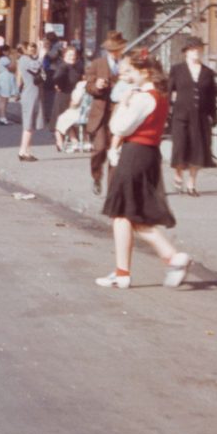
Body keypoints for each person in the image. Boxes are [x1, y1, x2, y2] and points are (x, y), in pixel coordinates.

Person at [95, 52, 191, 291]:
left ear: (145, 72)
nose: (126, 76)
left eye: (130, 72)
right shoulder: (160, 96)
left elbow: (119, 126)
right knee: (130, 214)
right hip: (148, 153)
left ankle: (160, 261)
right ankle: (136, 268)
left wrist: (123, 104)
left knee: (122, 213)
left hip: (134, 154)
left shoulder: (141, 98)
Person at [168, 34, 217, 196]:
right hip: (181, 114)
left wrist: (213, 115)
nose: (196, 52)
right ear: (186, 52)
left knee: (198, 149)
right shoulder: (177, 70)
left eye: (199, 49)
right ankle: (178, 172)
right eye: (192, 49)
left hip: (200, 116)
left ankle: (192, 183)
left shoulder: (208, 72)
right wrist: (167, 110)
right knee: (180, 145)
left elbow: (211, 96)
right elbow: (168, 91)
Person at [84, 31, 127, 197]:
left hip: (119, 114)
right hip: (101, 115)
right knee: (99, 149)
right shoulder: (97, 64)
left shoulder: (126, 64)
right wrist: (97, 85)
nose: (115, 53)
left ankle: (112, 190)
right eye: (112, 50)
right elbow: (88, 86)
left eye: (117, 49)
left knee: (114, 152)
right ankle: (96, 176)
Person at [15, 40, 48, 162]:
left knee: (31, 124)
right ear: (24, 49)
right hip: (30, 95)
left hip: (33, 94)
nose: (33, 50)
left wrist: (39, 51)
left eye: (33, 48)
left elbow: (36, 63)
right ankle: (23, 151)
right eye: (30, 48)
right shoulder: (24, 60)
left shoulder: (27, 59)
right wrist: (42, 55)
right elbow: (35, 66)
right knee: (28, 125)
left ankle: (27, 150)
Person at [49, 44, 84, 150]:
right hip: (64, 95)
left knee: (68, 119)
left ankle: (71, 141)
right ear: (64, 56)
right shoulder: (63, 66)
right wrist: (58, 86)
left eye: (73, 55)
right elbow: (56, 77)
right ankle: (61, 142)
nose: (72, 57)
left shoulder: (76, 66)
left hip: (73, 96)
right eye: (69, 55)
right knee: (61, 118)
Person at [0, 45, 16, 124]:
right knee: (4, 99)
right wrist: (13, 59)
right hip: (5, 79)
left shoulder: (2, 59)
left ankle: (2, 117)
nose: (9, 52)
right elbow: (12, 68)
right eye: (8, 51)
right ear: (3, 52)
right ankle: (2, 117)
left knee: (3, 99)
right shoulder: (4, 59)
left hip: (3, 78)